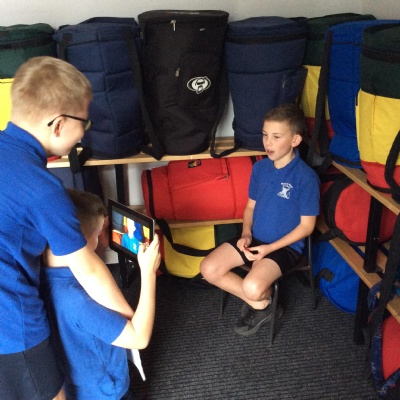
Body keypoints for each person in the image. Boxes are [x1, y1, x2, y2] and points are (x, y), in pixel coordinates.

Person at [0, 56, 133, 400]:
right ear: (58, 124)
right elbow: (88, 268)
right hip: (12, 321)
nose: (84, 132)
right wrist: (129, 323)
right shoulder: (44, 189)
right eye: (84, 122)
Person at [200, 103, 320, 337]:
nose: (268, 143)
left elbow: (307, 226)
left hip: (284, 248)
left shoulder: (306, 178)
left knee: (252, 286)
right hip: (255, 239)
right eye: (265, 135)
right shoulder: (260, 168)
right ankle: (264, 306)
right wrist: (246, 233)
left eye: (276, 137)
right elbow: (250, 207)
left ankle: (258, 297)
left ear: (295, 140)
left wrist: (269, 249)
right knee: (208, 268)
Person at [41, 189, 161, 400]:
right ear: (82, 241)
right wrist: (148, 273)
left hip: (72, 381)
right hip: (104, 391)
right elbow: (139, 338)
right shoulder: (79, 300)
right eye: (97, 235)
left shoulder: (38, 270)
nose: (100, 240)